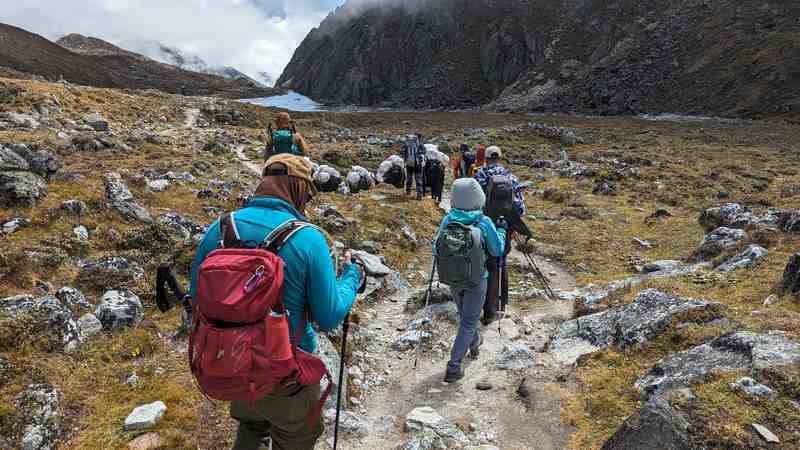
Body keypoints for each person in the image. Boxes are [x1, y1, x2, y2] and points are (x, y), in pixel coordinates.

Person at [189, 154, 363, 450]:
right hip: (287, 373)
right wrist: (351, 277)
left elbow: (197, 299)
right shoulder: (308, 239)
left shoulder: (219, 229)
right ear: (297, 190)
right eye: (307, 192)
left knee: (251, 425)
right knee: (296, 436)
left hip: (233, 363)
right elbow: (330, 315)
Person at [433, 178, 507, 382]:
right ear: (478, 197)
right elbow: (497, 250)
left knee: (466, 317)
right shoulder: (483, 222)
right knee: (468, 321)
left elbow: (435, 248)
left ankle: (474, 344)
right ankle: (454, 367)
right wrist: (501, 231)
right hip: (476, 279)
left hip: (453, 279)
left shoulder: (448, 220)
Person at [474, 145, 526, 324]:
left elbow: (475, 204)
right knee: (501, 262)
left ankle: (484, 308)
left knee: (486, 264)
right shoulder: (511, 177)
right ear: (500, 157)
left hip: (483, 227)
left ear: (486, 158)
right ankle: (500, 306)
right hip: (505, 227)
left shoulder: (479, 176)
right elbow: (520, 209)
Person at [401, 134, 425, 200]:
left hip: (409, 164)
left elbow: (402, 151)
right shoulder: (419, 143)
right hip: (418, 165)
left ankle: (408, 192)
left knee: (409, 178)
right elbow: (424, 151)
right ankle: (419, 195)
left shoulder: (406, 143)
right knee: (418, 180)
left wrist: (405, 159)